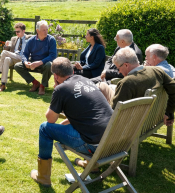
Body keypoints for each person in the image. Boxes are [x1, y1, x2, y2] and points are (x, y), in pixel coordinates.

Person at [30, 57, 113, 187]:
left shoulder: (61, 89)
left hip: (92, 145)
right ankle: (93, 166)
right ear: (72, 71)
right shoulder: (87, 81)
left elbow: (50, 119)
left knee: (44, 128)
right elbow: (88, 113)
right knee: (89, 126)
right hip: (112, 141)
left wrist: (57, 90)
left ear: (55, 76)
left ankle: (43, 177)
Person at [98, 47, 175, 128]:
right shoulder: (157, 71)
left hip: (130, 126)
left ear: (126, 65)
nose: (119, 71)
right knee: (105, 86)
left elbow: (114, 113)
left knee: (101, 86)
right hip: (150, 120)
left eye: (118, 68)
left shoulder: (126, 83)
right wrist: (169, 112)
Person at [14, 20, 57, 95]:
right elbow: (25, 54)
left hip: (45, 63)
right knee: (17, 66)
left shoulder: (51, 40)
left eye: (47, 29)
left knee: (49, 65)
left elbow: (53, 56)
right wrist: (25, 62)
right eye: (43, 30)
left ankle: (42, 86)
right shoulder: (31, 40)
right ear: (38, 30)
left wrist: (40, 62)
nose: (46, 31)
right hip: (33, 62)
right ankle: (35, 83)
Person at [0, 22, 29, 91]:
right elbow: (7, 50)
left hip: (22, 58)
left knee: (5, 53)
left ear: (23, 31)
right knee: (7, 59)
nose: (16, 33)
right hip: (14, 57)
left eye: (18, 31)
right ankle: (3, 84)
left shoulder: (29, 38)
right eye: (15, 31)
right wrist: (6, 46)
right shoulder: (14, 39)